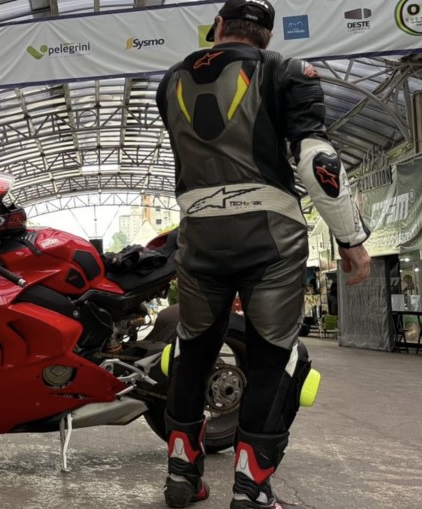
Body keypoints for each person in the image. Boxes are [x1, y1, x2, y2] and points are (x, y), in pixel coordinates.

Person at [155, 1, 372, 507]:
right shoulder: (287, 71)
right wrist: (352, 240)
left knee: (193, 353)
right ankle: (251, 489)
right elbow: (318, 160)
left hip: (199, 237)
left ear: (217, 29)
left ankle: (181, 478)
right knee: (275, 358)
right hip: (270, 237)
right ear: (267, 37)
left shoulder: (171, 80)